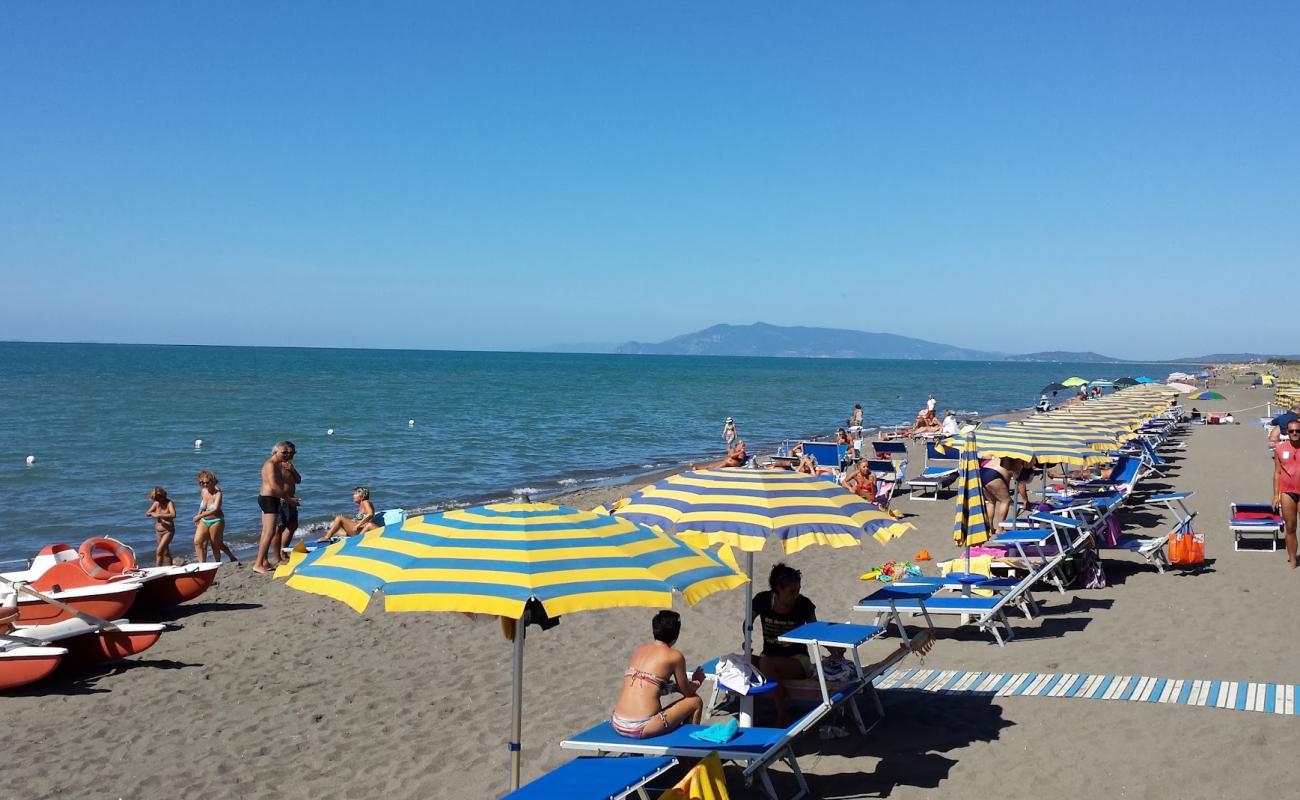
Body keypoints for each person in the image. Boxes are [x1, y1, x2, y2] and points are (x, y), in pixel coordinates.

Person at [610, 610, 704, 739]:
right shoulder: (675, 656)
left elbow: (649, 688)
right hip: (642, 726)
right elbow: (687, 693)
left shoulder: (639, 649)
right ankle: (689, 755)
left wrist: (673, 688)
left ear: (654, 631)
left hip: (617, 722)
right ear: (676, 635)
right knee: (695, 701)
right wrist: (697, 681)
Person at [752, 563, 819, 726]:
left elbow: (817, 631)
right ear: (777, 589)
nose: (796, 595)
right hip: (768, 657)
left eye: (798, 590)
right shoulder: (762, 600)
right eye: (791, 592)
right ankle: (753, 712)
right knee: (742, 662)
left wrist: (835, 650)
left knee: (766, 664)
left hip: (798, 661)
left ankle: (782, 714)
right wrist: (746, 639)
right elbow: (748, 621)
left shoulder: (803, 604)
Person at [253, 443, 295, 573]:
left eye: (290, 453)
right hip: (268, 499)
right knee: (269, 532)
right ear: (275, 452)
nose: (287, 455)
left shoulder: (276, 464)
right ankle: (258, 564)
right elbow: (273, 486)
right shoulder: (270, 464)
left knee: (266, 531)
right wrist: (288, 499)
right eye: (284, 452)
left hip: (270, 499)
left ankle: (264, 561)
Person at [193, 470, 236, 563]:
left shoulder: (218, 493)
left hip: (216, 520)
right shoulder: (203, 491)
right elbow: (202, 505)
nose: (204, 485)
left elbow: (215, 508)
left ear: (212, 482)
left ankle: (219, 562)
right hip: (204, 520)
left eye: (206, 482)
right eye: (201, 482)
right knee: (198, 541)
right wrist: (198, 515)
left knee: (216, 544)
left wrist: (200, 516)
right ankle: (202, 564)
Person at [1274, 421, 1300, 569]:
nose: (1295, 433)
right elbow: (1277, 473)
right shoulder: (1280, 448)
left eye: (1297, 431)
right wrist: (1275, 495)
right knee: (1290, 527)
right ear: (1287, 432)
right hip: (1287, 491)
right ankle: (1292, 559)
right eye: (1291, 431)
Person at [981, 456, 1027, 527]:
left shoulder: (1003, 454)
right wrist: (1025, 500)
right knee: (1006, 501)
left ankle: (989, 529)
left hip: (983, 471)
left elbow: (1005, 482)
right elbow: (1021, 484)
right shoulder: (1017, 460)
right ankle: (1000, 529)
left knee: (991, 502)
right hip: (995, 474)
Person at [275, 441, 302, 556]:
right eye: (288, 453)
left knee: (292, 526)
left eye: (293, 453)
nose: (291, 455)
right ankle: (278, 554)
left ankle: (283, 550)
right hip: (281, 499)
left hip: (291, 499)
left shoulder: (289, 464)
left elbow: (298, 480)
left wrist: (292, 469)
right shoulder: (276, 465)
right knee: (279, 528)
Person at [145, 487, 176, 567]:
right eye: (156, 499)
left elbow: (173, 515)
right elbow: (148, 512)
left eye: (158, 498)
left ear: (163, 496)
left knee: (159, 551)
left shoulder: (169, 503)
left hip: (168, 531)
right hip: (158, 532)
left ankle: (157, 569)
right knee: (165, 552)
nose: (157, 500)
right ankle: (170, 568)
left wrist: (159, 515)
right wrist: (150, 514)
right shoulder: (156, 503)